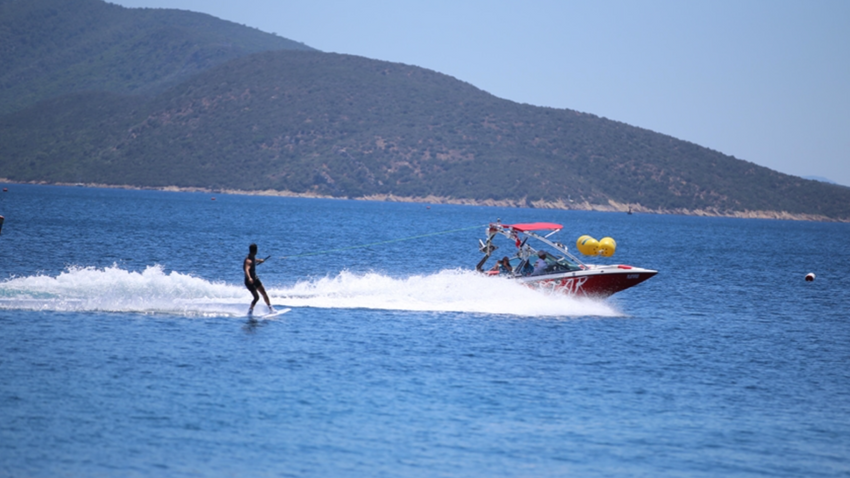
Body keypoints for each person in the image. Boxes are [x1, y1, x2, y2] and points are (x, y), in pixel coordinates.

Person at [244, 243, 273, 315]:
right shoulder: (248, 260)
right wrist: (249, 278)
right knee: (256, 297)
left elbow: (254, 260)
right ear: (255, 251)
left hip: (255, 278)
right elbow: (246, 269)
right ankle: (250, 311)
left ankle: (270, 309)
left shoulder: (252, 257)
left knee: (264, 293)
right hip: (249, 281)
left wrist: (259, 260)